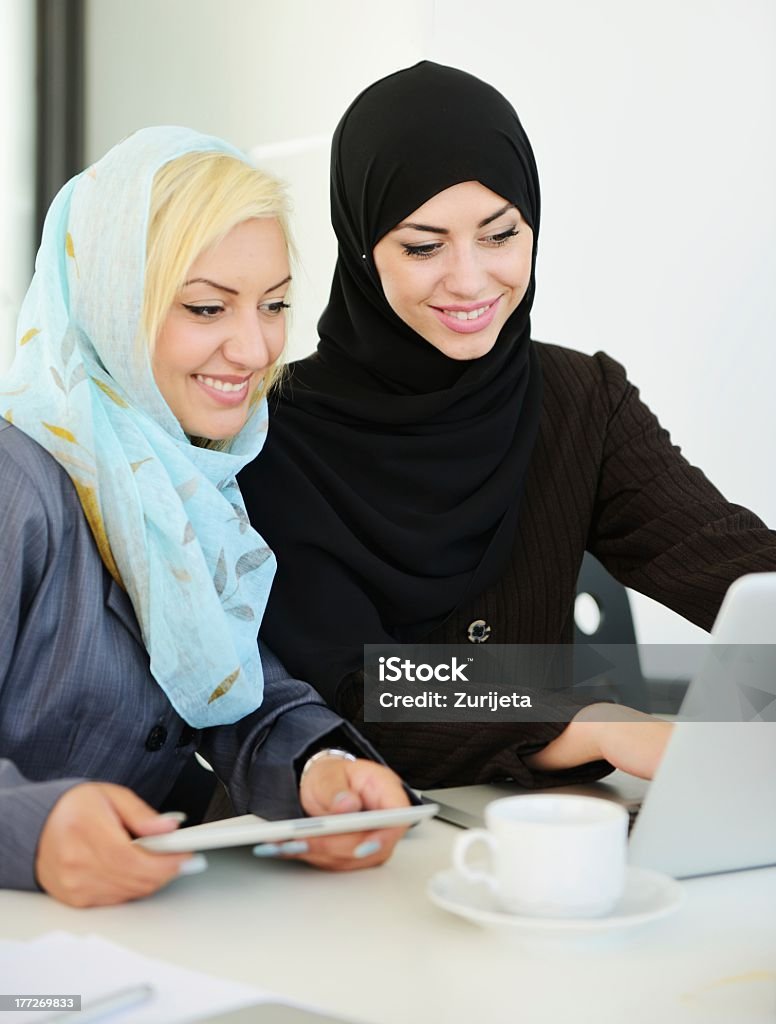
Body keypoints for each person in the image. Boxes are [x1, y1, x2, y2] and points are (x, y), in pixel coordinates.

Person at [238, 62, 776, 790]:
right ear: (361, 248)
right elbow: (357, 682)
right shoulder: (271, 437)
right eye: (424, 246)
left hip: (543, 835)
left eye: (501, 235)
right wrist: (594, 723)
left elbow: (720, 559)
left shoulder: (581, 399)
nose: (470, 280)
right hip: (353, 838)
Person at [0, 126, 409, 907]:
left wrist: (321, 768)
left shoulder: (189, 471)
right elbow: (377, 678)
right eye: (205, 306)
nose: (255, 349)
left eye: (275, 305)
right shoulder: (26, 482)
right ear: (114, 302)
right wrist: (36, 826)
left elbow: (229, 685)